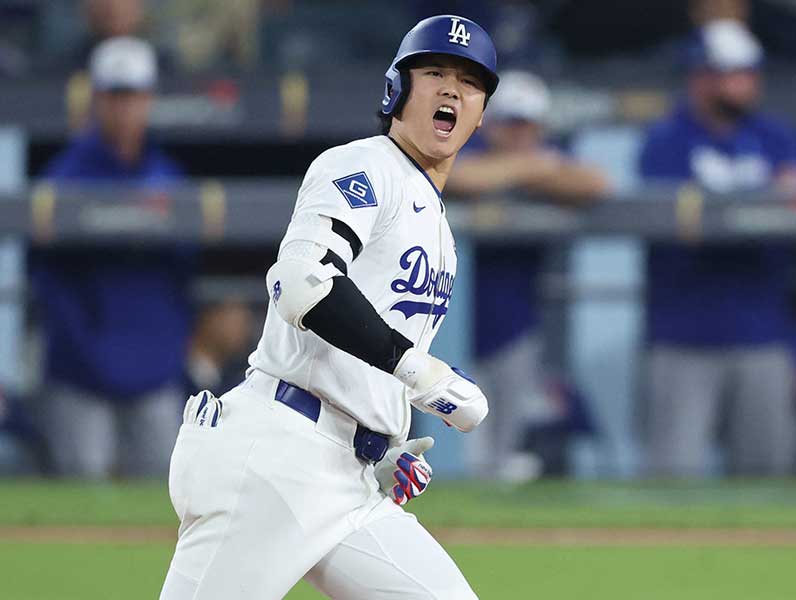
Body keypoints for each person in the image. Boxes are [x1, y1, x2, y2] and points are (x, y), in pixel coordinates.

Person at [161, 15, 496, 599]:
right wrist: (420, 373)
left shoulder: (436, 220)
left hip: (350, 479)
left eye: (469, 82)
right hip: (277, 458)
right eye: (435, 72)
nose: (451, 89)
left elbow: (366, 350)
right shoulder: (364, 165)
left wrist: (382, 446)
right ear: (397, 89)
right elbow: (301, 283)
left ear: (481, 112)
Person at [640, 19, 796, 476]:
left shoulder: (778, 135)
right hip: (684, 333)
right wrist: (762, 205)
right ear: (701, 77)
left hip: (763, 331)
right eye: (728, 74)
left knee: (766, 476)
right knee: (673, 478)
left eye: (747, 73)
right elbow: (679, 226)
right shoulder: (666, 138)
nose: (742, 84)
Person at [34, 37, 188, 479]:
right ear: (96, 100)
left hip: (155, 368)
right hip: (79, 372)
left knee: (167, 497)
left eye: (133, 96)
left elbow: (182, 275)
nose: (124, 109)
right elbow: (47, 282)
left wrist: (169, 347)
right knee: (80, 501)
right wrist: (85, 352)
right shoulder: (62, 178)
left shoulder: (168, 178)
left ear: (148, 100)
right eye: (114, 96)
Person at [446, 70, 608, 480]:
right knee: (453, 455)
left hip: (515, 326)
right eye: (510, 123)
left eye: (528, 124)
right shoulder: (466, 147)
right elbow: (458, 176)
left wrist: (523, 168)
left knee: (502, 457)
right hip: (447, 322)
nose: (519, 133)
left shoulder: (546, 160)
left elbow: (596, 184)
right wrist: (530, 167)